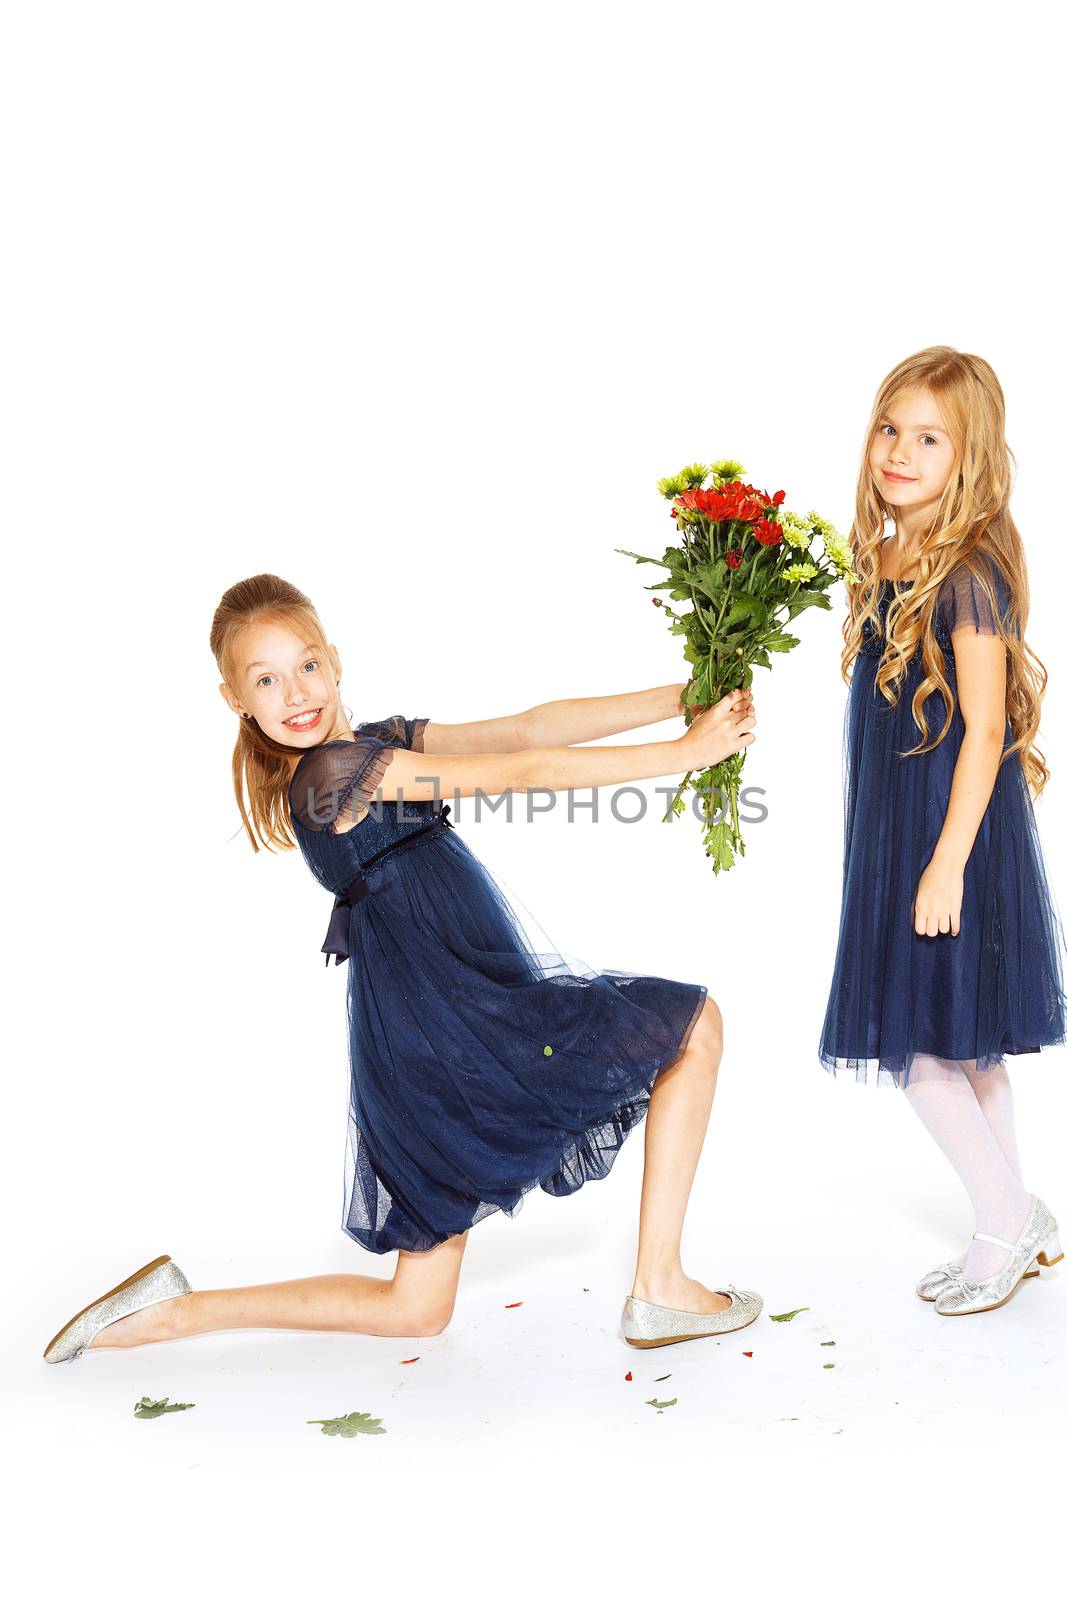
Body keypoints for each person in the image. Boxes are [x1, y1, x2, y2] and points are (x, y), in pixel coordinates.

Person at [43, 574, 763, 1363]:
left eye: (306, 665)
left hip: (429, 1031)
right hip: (456, 1021)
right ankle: (659, 1286)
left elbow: (527, 730)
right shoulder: (331, 778)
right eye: (266, 680)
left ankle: (175, 1313)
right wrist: (684, 755)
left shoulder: (370, 745)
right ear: (234, 700)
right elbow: (522, 775)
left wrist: (678, 696)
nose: (295, 693)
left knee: (415, 1310)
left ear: (336, 660)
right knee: (693, 1028)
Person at [818, 345, 1067, 1314]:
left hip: (949, 830)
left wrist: (946, 863)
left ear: (966, 458)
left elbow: (988, 725)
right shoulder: (884, 555)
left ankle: (999, 1220)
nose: (898, 452)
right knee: (962, 1041)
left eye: (926, 438)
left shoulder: (966, 576)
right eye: (889, 429)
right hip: (900, 825)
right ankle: (1019, 1217)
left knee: (916, 1044)